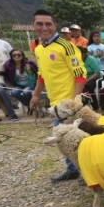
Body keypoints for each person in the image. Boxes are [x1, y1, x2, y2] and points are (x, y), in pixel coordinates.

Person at [30, 9, 86, 182]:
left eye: (48, 24)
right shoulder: (39, 49)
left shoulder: (67, 46)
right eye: (40, 23)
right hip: (54, 104)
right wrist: (35, 95)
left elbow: (80, 75)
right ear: (34, 26)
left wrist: (74, 102)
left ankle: (87, 172)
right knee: (63, 140)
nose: (44, 27)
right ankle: (72, 169)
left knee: (78, 139)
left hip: (69, 104)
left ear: (55, 25)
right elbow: (42, 75)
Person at [0, 48, 36, 120]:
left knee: (25, 92)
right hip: (19, 85)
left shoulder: (28, 64)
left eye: (19, 55)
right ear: (11, 57)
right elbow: (7, 75)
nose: (16, 57)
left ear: (22, 56)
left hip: (30, 84)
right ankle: (30, 106)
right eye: (14, 55)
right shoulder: (9, 66)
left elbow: (33, 77)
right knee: (14, 92)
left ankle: (29, 107)